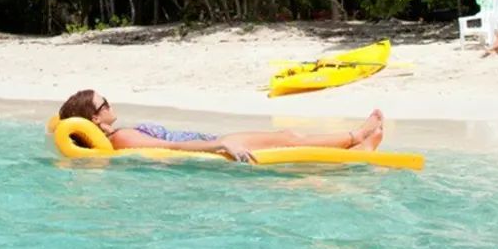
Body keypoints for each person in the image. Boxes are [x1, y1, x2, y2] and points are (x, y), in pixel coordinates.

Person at [57, 89, 385, 163]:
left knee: (288, 139)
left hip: (214, 141)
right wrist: (221, 145)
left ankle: (356, 146)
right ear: (96, 119)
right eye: (105, 103)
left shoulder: (117, 136)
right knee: (288, 139)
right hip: (216, 144)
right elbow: (172, 148)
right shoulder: (123, 139)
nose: (111, 104)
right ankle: (356, 139)